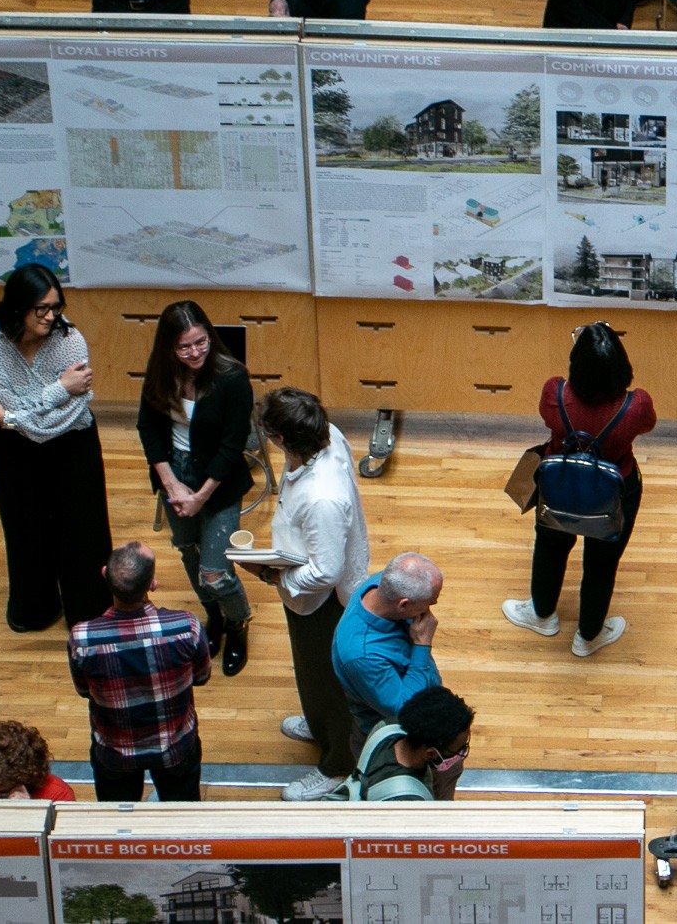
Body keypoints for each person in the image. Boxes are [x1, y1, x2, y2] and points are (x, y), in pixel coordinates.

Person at [244, 387, 371, 801]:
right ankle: (319, 725)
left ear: (279, 439)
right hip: (304, 591)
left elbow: (326, 570)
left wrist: (271, 576)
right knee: (311, 674)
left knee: (330, 683)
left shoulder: (323, 499)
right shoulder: (326, 434)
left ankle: (337, 764)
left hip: (324, 603)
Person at [0, 264, 112, 631]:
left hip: (72, 444)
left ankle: (88, 610)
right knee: (25, 530)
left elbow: (68, 414)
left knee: (84, 529)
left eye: (56, 307)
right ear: (18, 307)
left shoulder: (71, 340)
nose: (52, 317)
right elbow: (46, 414)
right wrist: (60, 389)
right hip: (15, 452)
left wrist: (12, 418)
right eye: (42, 309)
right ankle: (35, 607)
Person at [501, 322, 654, 658]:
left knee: (550, 549)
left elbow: (547, 419)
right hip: (616, 492)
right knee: (602, 566)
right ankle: (588, 636)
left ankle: (541, 616)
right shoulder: (636, 405)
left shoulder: (554, 394)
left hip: (558, 484)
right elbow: (647, 425)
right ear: (621, 364)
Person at [137, 301, 254, 675]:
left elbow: (233, 446)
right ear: (169, 348)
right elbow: (149, 429)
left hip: (217, 480)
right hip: (176, 475)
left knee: (215, 572)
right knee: (188, 550)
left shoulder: (232, 377)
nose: (195, 353)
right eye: (184, 347)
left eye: (201, 342)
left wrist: (200, 495)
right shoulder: (160, 375)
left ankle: (238, 623)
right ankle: (214, 616)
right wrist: (172, 485)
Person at [66, 542, 210, 802]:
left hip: (115, 754)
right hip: (175, 749)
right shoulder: (186, 627)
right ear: (152, 584)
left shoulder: (83, 638)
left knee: (119, 825)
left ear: (103, 575)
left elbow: (83, 690)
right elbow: (201, 677)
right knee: (181, 818)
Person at [334, 553, 459, 798]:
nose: (430, 611)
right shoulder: (362, 654)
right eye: (429, 603)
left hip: (418, 724)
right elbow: (404, 708)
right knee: (425, 800)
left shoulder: (381, 585)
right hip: (399, 746)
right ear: (404, 605)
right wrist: (422, 647)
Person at [349, 685, 475, 802]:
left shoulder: (386, 727)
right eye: (458, 750)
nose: (461, 753)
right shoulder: (408, 800)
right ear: (431, 753)